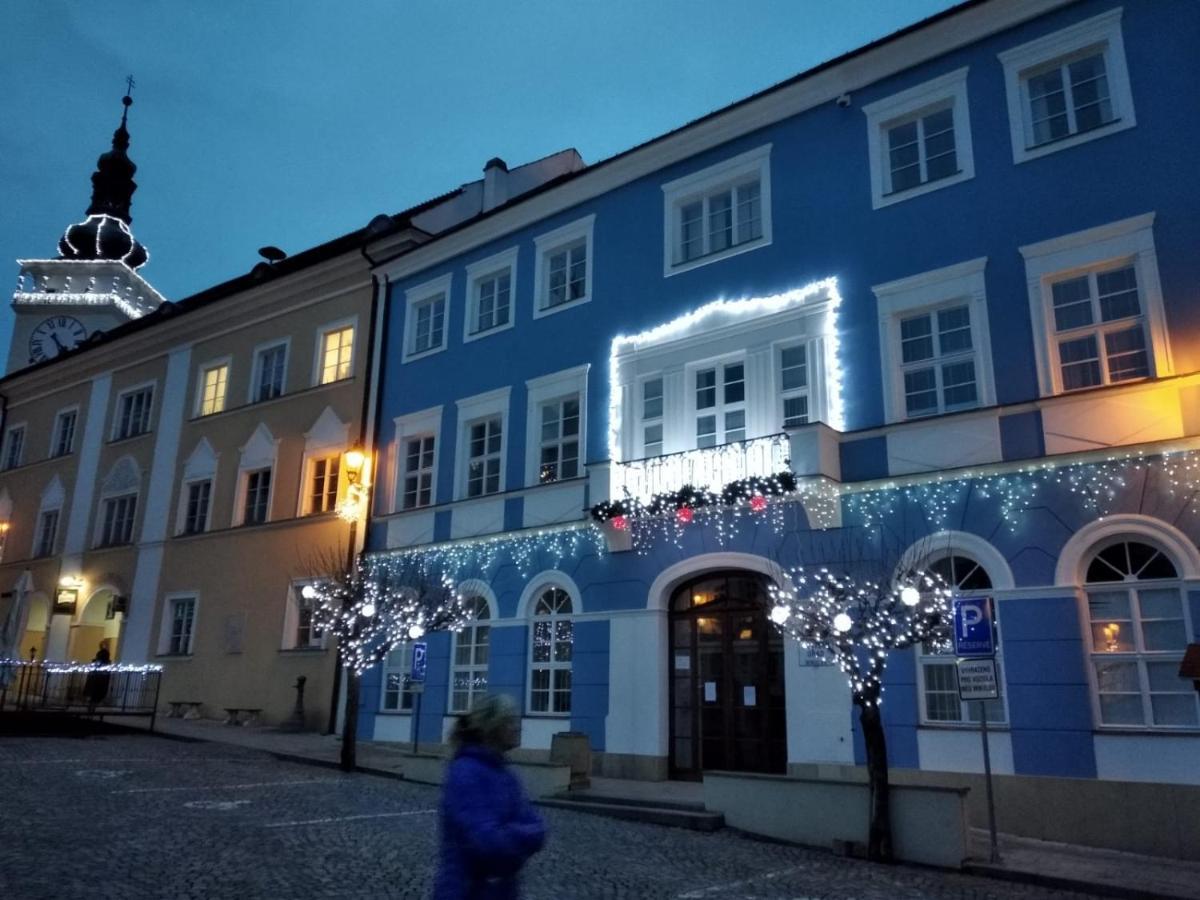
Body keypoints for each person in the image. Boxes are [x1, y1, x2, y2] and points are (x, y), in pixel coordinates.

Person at [433, 694, 546, 900]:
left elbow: (537, 828)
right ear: (493, 727)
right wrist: (519, 838)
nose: (518, 727)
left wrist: (509, 833)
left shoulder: (505, 773)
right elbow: (491, 844)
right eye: (510, 721)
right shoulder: (465, 772)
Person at [84, 643, 111, 710]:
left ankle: (91, 708)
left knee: (94, 697)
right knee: (96, 697)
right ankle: (92, 708)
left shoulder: (97, 662)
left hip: (96, 681)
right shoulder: (106, 663)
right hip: (101, 682)